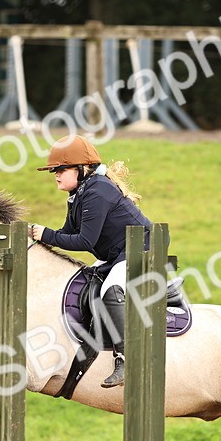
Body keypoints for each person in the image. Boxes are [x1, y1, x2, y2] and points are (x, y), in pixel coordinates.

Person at [30, 135, 153, 388]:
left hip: (140, 249)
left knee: (110, 290)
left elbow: (85, 241)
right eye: (55, 169)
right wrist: (37, 239)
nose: (56, 174)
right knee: (85, 282)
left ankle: (126, 359)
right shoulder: (80, 193)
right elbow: (65, 233)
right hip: (117, 254)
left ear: (82, 168)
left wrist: (46, 235)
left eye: (61, 169)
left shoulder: (98, 190)